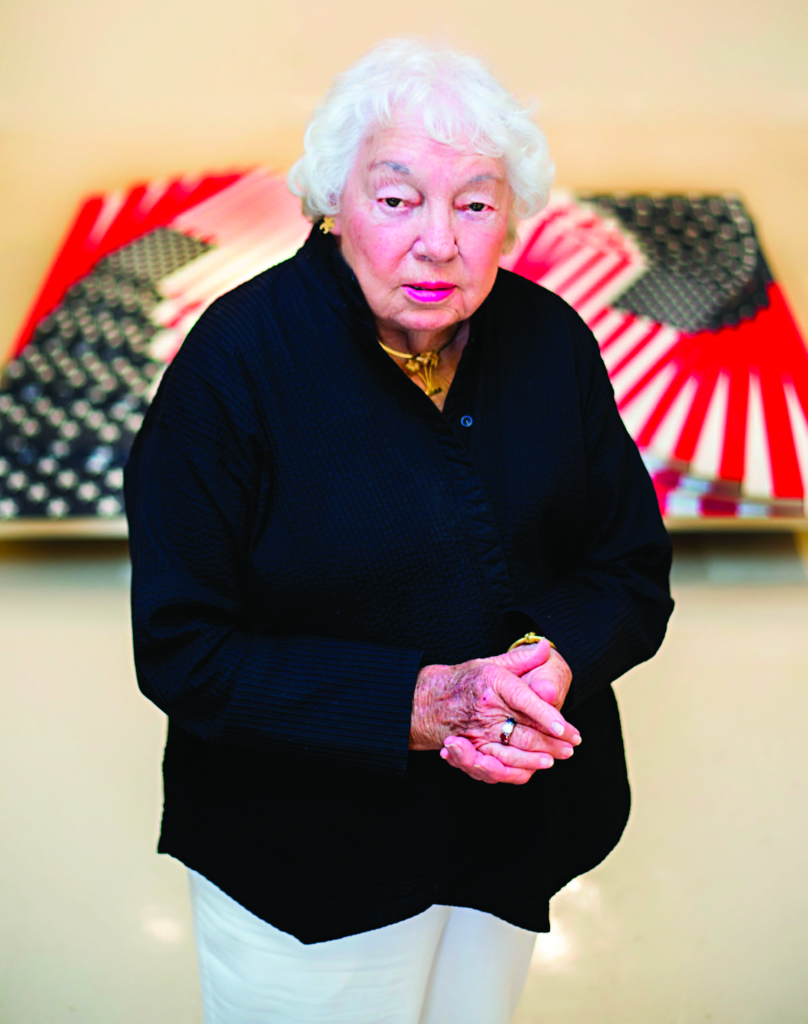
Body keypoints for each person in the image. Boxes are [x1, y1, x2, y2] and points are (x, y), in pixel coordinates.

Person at [125, 38, 674, 1024]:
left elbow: (628, 565)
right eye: (396, 199)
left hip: (508, 828)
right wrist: (423, 703)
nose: (438, 242)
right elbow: (183, 648)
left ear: (510, 216)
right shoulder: (234, 365)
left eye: (475, 204)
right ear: (334, 202)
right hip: (306, 858)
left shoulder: (549, 339)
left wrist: (547, 666)